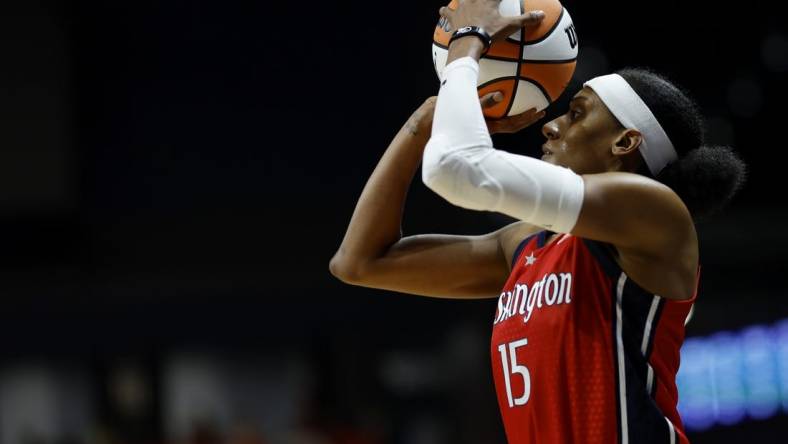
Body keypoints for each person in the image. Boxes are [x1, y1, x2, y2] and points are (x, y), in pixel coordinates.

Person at [329, 1, 746, 442]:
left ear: (626, 141)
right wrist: (428, 116)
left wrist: (468, 47)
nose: (550, 125)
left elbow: (458, 169)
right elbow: (359, 262)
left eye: (577, 112)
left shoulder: (656, 212)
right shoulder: (528, 243)